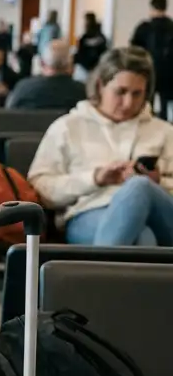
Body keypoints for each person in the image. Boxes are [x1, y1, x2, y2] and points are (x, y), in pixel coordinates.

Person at [28, 47, 173, 246]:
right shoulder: (68, 127)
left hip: (159, 216)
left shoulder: (164, 131)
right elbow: (42, 189)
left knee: (140, 186)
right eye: (120, 92)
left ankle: (101, 265)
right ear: (100, 86)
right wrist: (95, 178)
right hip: (90, 211)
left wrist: (158, 182)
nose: (128, 103)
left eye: (137, 94)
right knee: (143, 239)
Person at [5, 39, 87, 111]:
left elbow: (9, 115)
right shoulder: (82, 93)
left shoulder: (23, 89)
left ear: (42, 64)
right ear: (71, 66)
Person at [130, 0, 173, 120]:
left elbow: (134, 50)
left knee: (148, 103)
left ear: (152, 7)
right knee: (166, 105)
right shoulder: (171, 27)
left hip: (148, 70)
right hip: (169, 73)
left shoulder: (144, 28)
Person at [74, 12, 108, 78]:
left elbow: (80, 53)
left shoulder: (84, 38)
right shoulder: (101, 37)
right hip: (96, 68)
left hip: (87, 68)